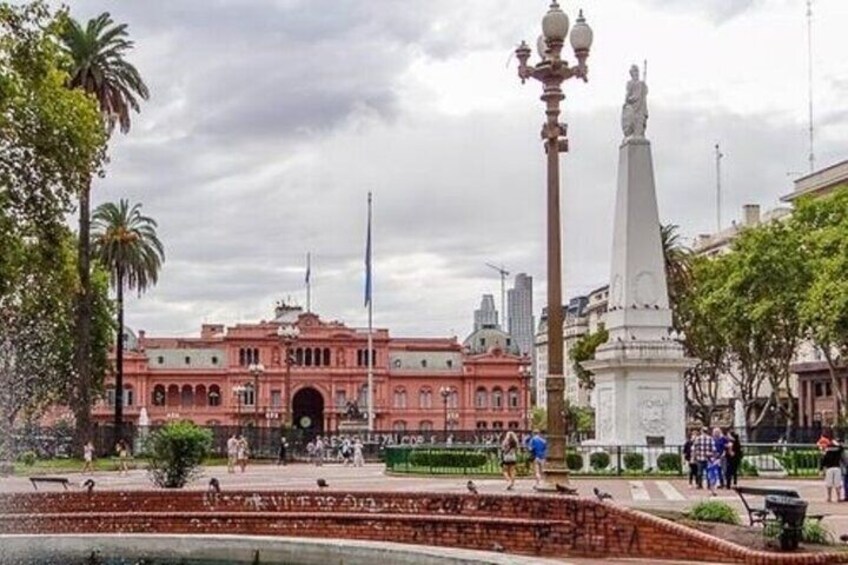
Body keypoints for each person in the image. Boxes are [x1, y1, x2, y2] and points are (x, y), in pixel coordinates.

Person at [621, 63, 648, 138]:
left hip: (641, 107)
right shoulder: (630, 83)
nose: (636, 73)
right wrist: (629, 101)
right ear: (631, 73)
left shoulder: (642, 84)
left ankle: (639, 134)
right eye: (634, 71)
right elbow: (628, 96)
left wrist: (644, 87)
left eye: (637, 71)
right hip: (633, 106)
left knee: (640, 126)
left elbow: (645, 93)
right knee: (632, 122)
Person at [821, 438, 844, 503]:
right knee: (837, 484)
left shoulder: (827, 451)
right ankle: (838, 497)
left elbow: (823, 461)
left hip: (830, 468)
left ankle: (829, 497)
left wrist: (821, 469)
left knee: (829, 484)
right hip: (836, 468)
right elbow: (841, 448)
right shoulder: (837, 451)